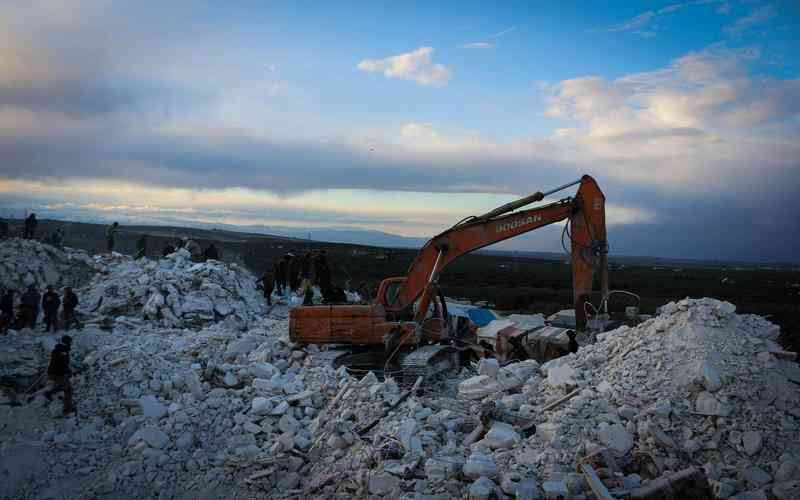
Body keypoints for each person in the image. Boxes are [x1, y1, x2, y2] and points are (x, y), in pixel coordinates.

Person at [44, 335, 75, 415]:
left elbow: (62, 363)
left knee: (60, 386)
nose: (71, 343)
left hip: (54, 373)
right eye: (70, 342)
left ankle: (48, 393)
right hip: (57, 374)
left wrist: (67, 370)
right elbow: (61, 363)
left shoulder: (60, 349)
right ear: (67, 342)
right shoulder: (62, 351)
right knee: (68, 389)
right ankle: (67, 409)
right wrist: (67, 371)